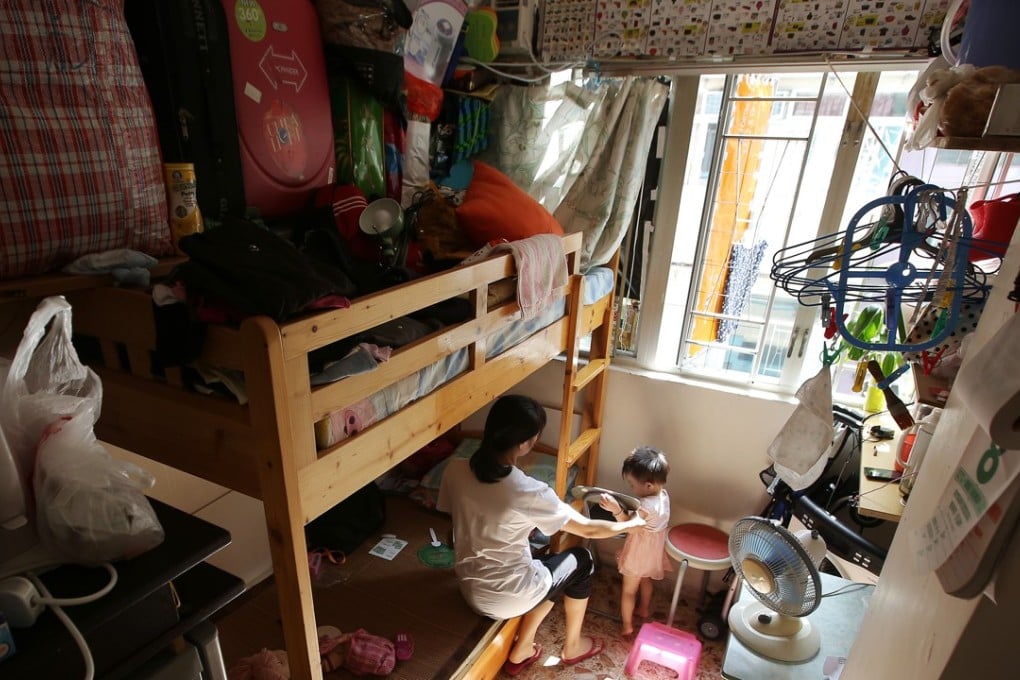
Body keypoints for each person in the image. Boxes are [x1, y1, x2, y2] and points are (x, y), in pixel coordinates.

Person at [437, 395, 646, 676]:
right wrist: (629, 525)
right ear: (525, 443)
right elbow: (588, 528)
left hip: (469, 587)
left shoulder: (455, 469)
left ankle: (524, 646)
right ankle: (572, 646)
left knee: (551, 565)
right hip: (508, 597)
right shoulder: (528, 491)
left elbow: (453, 528)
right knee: (581, 560)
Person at [598, 446, 671, 637]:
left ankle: (627, 625)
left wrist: (615, 509)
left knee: (629, 591)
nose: (632, 489)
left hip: (638, 554)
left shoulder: (645, 508)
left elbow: (628, 526)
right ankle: (644, 609)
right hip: (653, 552)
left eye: (632, 484)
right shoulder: (663, 496)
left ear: (647, 485)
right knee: (646, 580)